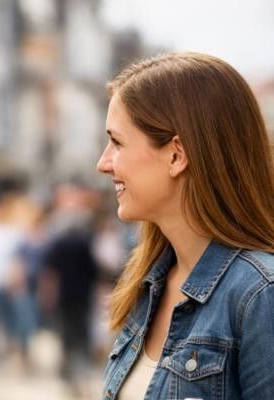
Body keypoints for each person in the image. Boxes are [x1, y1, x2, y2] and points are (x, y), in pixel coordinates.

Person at [97, 52, 274, 399]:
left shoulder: (259, 296)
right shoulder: (148, 284)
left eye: (117, 142)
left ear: (176, 155)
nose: (103, 163)